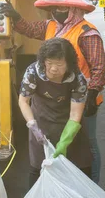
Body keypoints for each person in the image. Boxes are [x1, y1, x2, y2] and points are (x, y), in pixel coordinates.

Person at [0, 0, 105, 183]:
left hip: (83, 96)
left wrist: (92, 93)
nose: (59, 12)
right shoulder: (50, 27)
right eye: (55, 8)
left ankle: (92, 184)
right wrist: (15, 17)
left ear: (74, 9)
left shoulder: (86, 32)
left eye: (64, 8)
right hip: (56, 96)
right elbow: (29, 29)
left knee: (86, 144)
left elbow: (98, 68)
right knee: (52, 141)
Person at [19, 38, 92, 188]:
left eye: (59, 64)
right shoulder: (33, 72)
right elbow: (23, 101)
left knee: (79, 168)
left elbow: (75, 115)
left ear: (68, 64)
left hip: (69, 127)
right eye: (49, 63)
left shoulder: (78, 79)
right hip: (41, 124)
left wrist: (65, 141)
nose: (53, 69)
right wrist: (32, 125)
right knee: (38, 167)